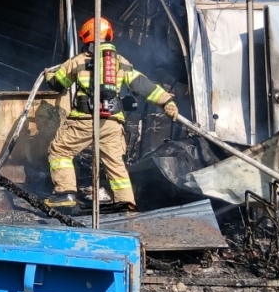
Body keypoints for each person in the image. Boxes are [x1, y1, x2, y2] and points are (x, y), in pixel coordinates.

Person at [43, 17, 179, 211]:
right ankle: (127, 205)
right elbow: (143, 85)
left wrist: (48, 74)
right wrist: (166, 101)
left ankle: (65, 194)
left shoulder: (78, 61)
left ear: (86, 37)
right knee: (115, 165)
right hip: (112, 123)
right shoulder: (121, 62)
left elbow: (57, 84)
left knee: (60, 151)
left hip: (84, 121)